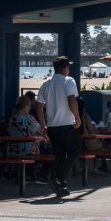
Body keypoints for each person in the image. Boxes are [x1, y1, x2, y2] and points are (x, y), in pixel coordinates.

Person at [36, 55, 81, 198]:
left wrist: (43, 124)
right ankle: (58, 178)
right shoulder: (69, 80)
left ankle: (61, 185)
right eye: (68, 67)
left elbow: (38, 105)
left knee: (60, 156)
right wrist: (77, 117)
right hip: (66, 124)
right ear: (65, 67)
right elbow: (72, 99)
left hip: (52, 127)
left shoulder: (46, 83)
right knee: (75, 150)